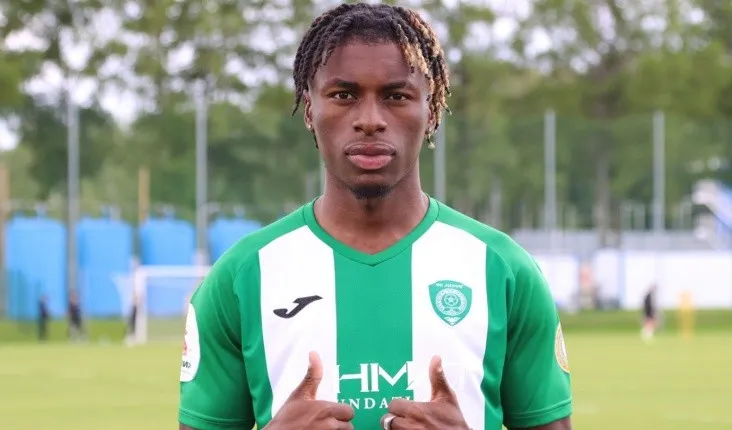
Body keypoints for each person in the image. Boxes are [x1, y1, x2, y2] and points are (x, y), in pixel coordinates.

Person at [178, 3, 573, 430]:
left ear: (431, 111)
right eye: (343, 95)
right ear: (310, 109)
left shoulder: (503, 269)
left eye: (396, 96)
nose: (370, 120)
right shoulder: (242, 276)